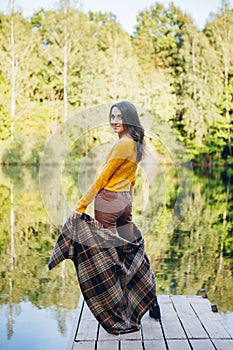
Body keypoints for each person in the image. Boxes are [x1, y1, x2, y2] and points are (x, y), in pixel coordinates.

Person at [74, 100, 160, 320]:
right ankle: (151, 299)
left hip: (108, 202)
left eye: (119, 117)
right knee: (130, 252)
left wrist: (81, 205)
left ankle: (116, 310)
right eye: (112, 116)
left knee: (108, 258)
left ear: (128, 119)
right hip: (123, 203)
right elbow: (131, 180)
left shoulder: (122, 144)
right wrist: (127, 203)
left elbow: (103, 179)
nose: (114, 121)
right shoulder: (135, 143)